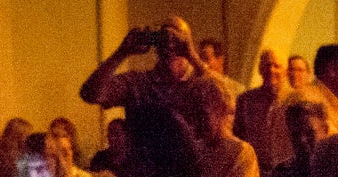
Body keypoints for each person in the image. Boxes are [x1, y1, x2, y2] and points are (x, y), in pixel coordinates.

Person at [80, 17, 237, 138]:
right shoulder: (139, 84)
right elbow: (90, 94)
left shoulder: (201, 85)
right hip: (146, 169)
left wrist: (192, 56)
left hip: (191, 169)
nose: (169, 42)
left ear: (187, 42)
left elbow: (229, 103)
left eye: (176, 37)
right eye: (163, 36)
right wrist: (122, 52)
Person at [235, 48, 290, 169]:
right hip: (253, 168)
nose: (271, 70)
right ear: (260, 69)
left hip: (285, 171)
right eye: (267, 65)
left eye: (277, 66)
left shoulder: (294, 101)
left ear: (285, 71)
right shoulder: (246, 100)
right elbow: (238, 136)